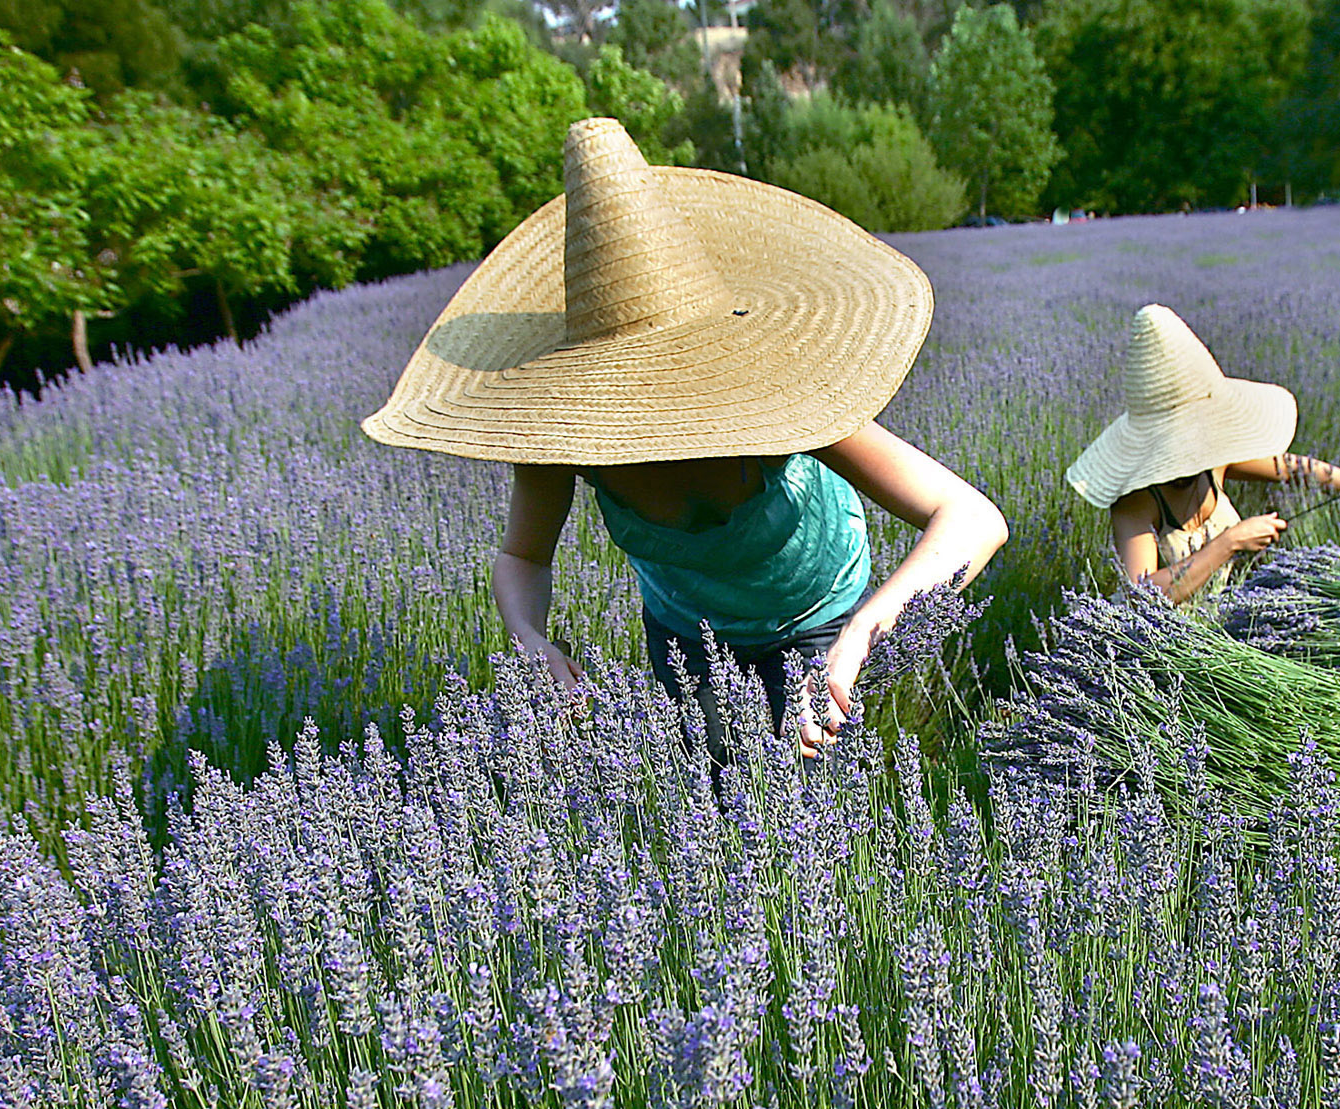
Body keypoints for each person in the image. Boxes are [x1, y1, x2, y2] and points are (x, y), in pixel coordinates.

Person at [362, 118, 1007, 760]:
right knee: (716, 795)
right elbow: (522, 559)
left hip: (819, 616)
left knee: (816, 803)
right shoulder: (569, 436)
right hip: (686, 632)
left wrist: (871, 626)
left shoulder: (773, 393)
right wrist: (533, 642)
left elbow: (972, 519)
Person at [1066, 305, 1340, 605]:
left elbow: (1297, 469)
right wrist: (1230, 544)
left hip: (1241, 619)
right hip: (1176, 653)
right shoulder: (1136, 503)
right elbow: (1141, 598)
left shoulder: (1213, 461)